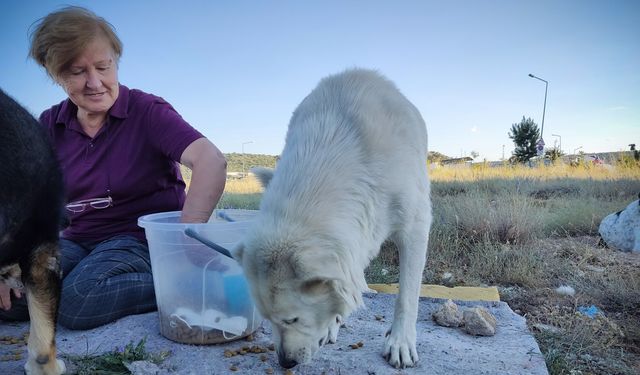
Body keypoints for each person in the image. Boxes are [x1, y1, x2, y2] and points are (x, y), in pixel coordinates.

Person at [0, 6, 227, 330]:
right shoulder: (50, 124)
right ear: (56, 74)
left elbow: (211, 161)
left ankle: (179, 282)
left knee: (79, 302)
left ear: (115, 62)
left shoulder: (147, 111)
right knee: (11, 300)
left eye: (103, 67)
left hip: (136, 240)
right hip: (77, 240)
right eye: (77, 72)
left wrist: (186, 243)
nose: (95, 83)